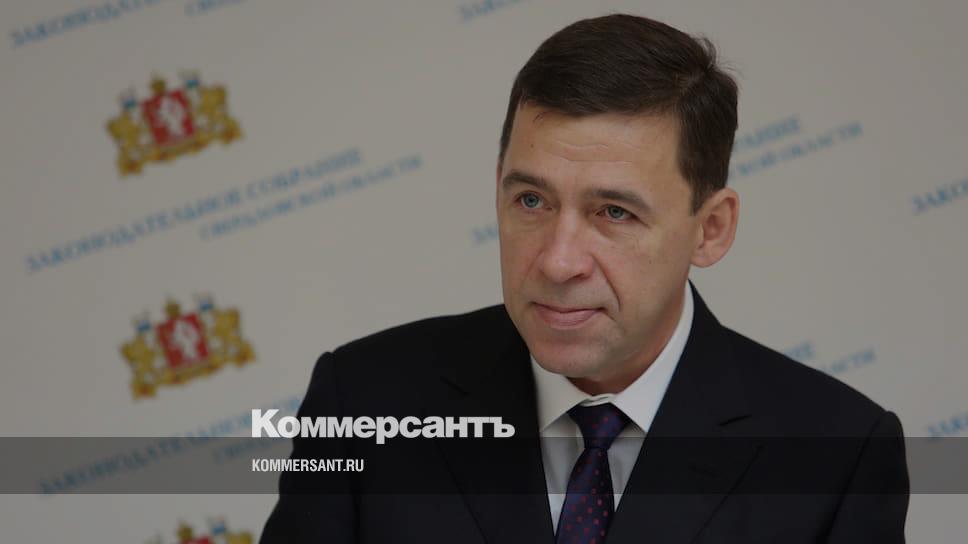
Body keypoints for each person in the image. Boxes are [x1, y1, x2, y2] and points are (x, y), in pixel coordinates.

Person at [260, 13, 909, 543]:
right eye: (532, 201)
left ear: (710, 229)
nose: (557, 261)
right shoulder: (362, 401)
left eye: (614, 212)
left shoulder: (838, 456)